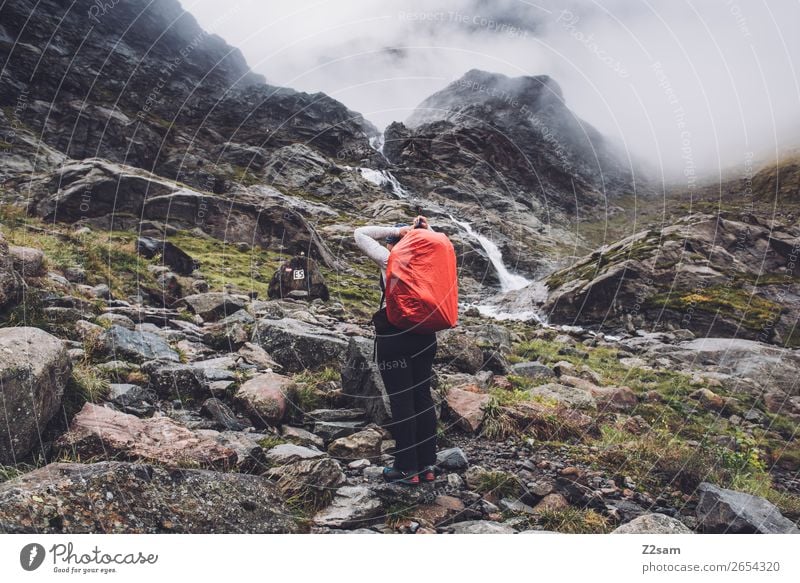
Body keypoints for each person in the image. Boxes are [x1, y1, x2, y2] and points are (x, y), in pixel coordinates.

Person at [353, 216, 438, 485]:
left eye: (391, 242)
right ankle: (427, 466)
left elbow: (360, 233)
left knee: (402, 402)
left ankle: (405, 468)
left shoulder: (391, 261)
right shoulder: (429, 262)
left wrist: (398, 230)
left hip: (395, 337)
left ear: (393, 245)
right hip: (426, 337)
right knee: (422, 398)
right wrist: (424, 231)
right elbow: (439, 244)